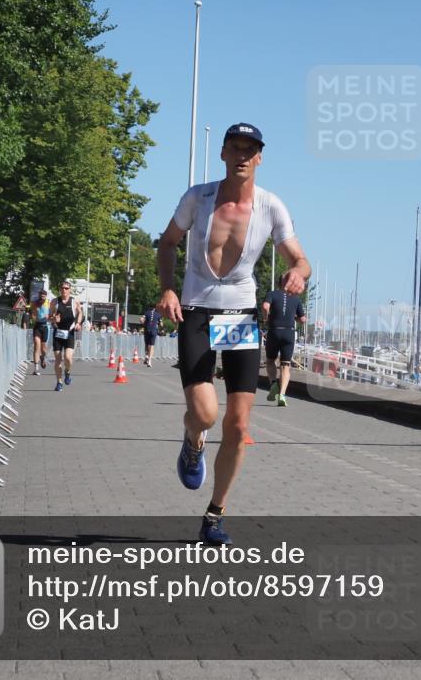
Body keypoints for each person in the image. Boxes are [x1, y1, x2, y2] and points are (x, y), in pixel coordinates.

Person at [157, 123, 309, 546]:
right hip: (196, 310)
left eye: (250, 149)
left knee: (238, 425)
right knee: (205, 414)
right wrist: (167, 289)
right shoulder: (198, 197)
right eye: (235, 147)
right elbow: (167, 243)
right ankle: (193, 441)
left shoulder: (270, 206)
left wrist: (298, 272)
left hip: (241, 315)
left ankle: (214, 515)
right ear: (223, 153)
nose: (242, 155)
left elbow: (301, 259)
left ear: (259, 158)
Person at [262, 289, 306, 407]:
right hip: (289, 333)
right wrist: (294, 318)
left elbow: (265, 307)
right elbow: (303, 319)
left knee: (270, 360)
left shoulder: (272, 294)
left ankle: (273, 383)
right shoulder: (296, 298)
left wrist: (266, 319)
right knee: (285, 365)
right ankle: (282, 395)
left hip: (274, 331)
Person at [49, 280, 82, 392]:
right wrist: (54, 319)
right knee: (58, 359)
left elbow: (80, 313)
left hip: (69, 333)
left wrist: (78, 323)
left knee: (68, 358)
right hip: (58, 333)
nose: (64, 290)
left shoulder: (74, 301)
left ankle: (67, 372)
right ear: (60, 289)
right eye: (62, 288)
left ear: (70, 290)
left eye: (66, 288)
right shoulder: (54, 301)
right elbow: (49, 317)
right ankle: (59, 382)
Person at [29, 289, 51, 376]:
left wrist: (49, 316)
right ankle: (36, 369)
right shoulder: (34, 303)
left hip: (45, 326)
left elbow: (52, 313)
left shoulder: (48, 303)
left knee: (43, 349)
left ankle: (42, 357)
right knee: (36, 346)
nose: (42, 298)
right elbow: (32, 313)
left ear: (46, 297)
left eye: (44, 297)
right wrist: (33, 317)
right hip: (37, 326)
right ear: (39, 296)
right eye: (41, 296)